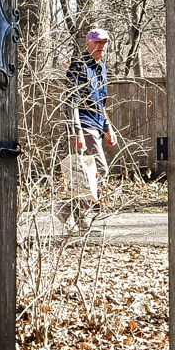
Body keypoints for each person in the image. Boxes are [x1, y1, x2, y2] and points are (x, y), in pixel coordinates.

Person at [60, 28, 116, 229]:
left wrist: (108, 129)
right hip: (84, 125)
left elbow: (101, 103)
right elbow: (71, 101)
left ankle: (74, 215)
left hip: (97, 125)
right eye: (98, 42)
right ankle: (70, 212)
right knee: (100, 169)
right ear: (88, 43)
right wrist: (77, 132)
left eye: (104, 43)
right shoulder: (78, 66)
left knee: (83, 174)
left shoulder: (102, 68)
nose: (102, 46)